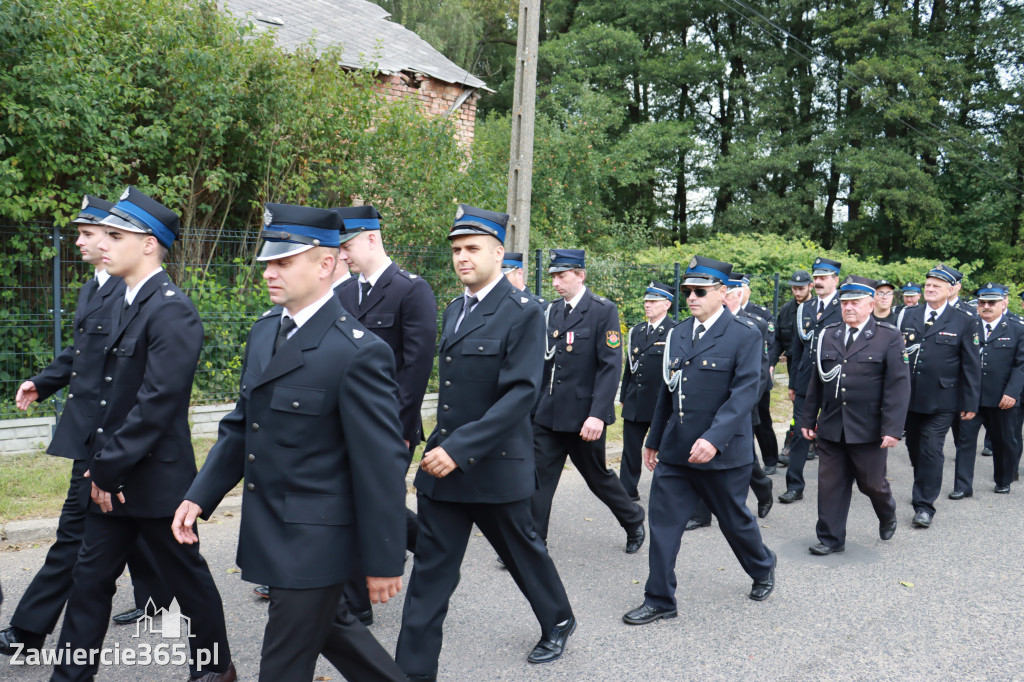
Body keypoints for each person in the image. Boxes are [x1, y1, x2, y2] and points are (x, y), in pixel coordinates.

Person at [174, 203, 408, 682]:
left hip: (317, 542)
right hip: (271, 534)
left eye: (283, 262)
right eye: (267, 262)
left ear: (325, 265)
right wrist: (199, 496)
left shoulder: (358, 352)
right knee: (338, 633)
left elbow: (381, 465)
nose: (269, 271)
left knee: (281, 667)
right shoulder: (265, 333)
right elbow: (243, 426)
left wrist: (385, 558)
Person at [50, 187, 234, 682]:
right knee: (88, 583)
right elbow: (105, 394)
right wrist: (100, 465)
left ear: (149, 244)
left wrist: (106, 469)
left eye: (116, 235)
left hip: (154, 482)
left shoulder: (172, 309)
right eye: (102, 234)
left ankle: (214, 669)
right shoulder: (121, 302)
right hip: (109, 476)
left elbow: (157, 404)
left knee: (186, 579)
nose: (102, 244)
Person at [395, 206, 576, 681]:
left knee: (523, 554)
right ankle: (411, 674)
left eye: (472, 248)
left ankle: (558, 618)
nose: (462, 258)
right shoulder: (455, 308)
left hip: (495, 465)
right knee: (430, 579)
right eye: (456, 250)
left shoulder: (524, 313)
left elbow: (521, 394)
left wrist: (459, 448)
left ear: (499, 252)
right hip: (445, 471)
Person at [0, 197, 171, 657]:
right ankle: (160, 599)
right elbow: (83, 355)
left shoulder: (130, 290)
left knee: (77, 533)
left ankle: (28, 630)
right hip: (91, 431)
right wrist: (43, 381)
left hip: (111, 435)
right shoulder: (93, 288)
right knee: (122, 523)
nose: (80, 241)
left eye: (89, 233)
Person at [621, 257, 776, 627]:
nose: (691, 297)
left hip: (722, 452)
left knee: (734, 521)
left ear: (722, 293)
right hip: (677, 451)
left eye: (699, 291)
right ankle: (659, 599)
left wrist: (713, 438)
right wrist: (654, 439)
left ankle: (763, 567)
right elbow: (667, 392)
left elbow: (744, 394)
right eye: (687, 291)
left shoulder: (745, 334)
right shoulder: (678, 333)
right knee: (663, 525)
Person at [334, 204, 436, 621]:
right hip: (345, 426)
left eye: (348, 245)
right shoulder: (341, 294)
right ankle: (431, 549)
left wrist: (396, 429)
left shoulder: (411, 290)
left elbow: (415, 368)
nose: (343, 255)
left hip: (389, 426)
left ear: (372, 238)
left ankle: (359, 604)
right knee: (360, 505)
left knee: (374, 504)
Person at [530, 249, 646, 552]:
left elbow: (610, 366)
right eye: (553, 276)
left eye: (562, 275)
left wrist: (598, 414)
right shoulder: (553, 310)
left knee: (598, 478)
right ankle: (532, 541)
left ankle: (633, 520)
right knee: (539, 479)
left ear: (580, 275)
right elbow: (547, 362)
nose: (555, 282)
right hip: (550, 413)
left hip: (584, 417)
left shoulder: (601, 310)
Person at [799, 276, 910, 554]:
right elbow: (817, 380)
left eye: (855, 302)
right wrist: (808, 417)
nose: (848, 307)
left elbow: (898, 385)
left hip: (869, 427)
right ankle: (830, 538)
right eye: (844, 302)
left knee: (872, 484)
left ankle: (887, 512)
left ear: (871, 304)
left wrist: (893, 428)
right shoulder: (829, 334)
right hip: (833, 425)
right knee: (830, 485)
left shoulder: (888, 336)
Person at [685, 277, 773, 530]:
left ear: (732, 295)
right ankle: (701, 514)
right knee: (698, 454)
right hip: (707, 405)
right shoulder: (699, 325)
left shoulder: (752, 327)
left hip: (739, 406)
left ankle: (763, 488)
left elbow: (758, 375)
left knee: (745, 458)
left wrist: (743, 406)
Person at [898, 264, 981, 528]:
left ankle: (924, 506)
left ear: (951, 290)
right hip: (909, 397)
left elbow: (971, 365)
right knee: (914, 447)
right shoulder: (908, 315)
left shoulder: (964, 321)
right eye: (928, 285)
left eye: (937, 286)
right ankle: (923, 480)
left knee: (932, 449)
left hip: (943, 400)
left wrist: (970, 402)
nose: (930, 289)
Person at [950, 284, 1024, 498]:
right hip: (971, 398)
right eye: (983, 302)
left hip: (1003, 399)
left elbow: (1021, 365)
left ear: (1003, 303)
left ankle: (1003, 479)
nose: (987, 306)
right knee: (965, 442)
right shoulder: (967, 326)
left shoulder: (1017, 329)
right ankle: (962, 487)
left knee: (1005, 441)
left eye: (992, 302)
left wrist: (1012, 393)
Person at [780, 257, 842, 503]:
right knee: (799, 433)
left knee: (831, 434)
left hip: (833, 379)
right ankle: (794, 485)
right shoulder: (805, 308)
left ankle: (835, 486)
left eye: (823, 278)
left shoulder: (843, 305)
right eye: (816, 277)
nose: (818, 282)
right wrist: (793, 383)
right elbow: (797, 348)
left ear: (835, 280)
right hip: (806, 380)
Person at [619, 281, 678, 502]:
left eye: (653, 301)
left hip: (660, 402)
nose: (647, 305)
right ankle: (627, 490)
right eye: (646, 301)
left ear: (667, 304)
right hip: (636, 400)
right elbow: (629, 368)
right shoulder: (638, 331)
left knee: (666, 449)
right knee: (630, 449)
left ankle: (667, 490)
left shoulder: (675, 331)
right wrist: (624, 395)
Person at [770, 270, 813, 467]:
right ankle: (793, 442)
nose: (797, 292)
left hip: (816, 364)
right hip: (795, 365)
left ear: (810, 287)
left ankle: (812, 439)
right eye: (794, 289)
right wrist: (771, 363)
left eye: (801, 288)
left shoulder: (817, 308)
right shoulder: (786, 310)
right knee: (798, 406)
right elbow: (778, 340)